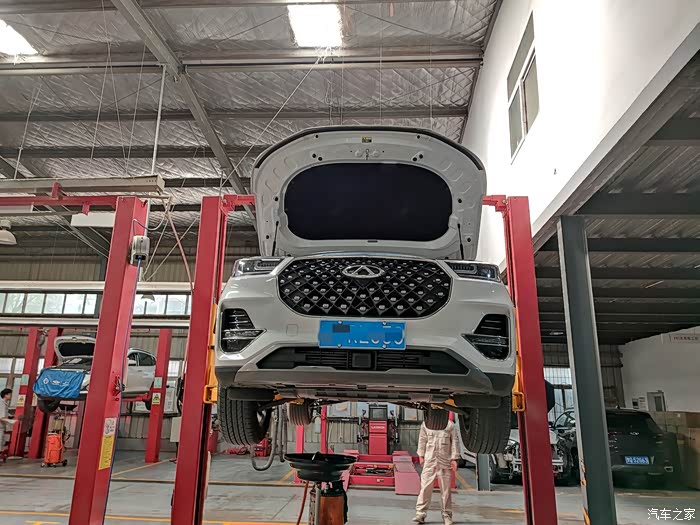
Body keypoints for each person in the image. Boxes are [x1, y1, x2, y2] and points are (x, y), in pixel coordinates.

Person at [414, 418, 460, 525]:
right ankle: (420, 514)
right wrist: (421, 455)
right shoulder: (426, 424)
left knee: (446, 491)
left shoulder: (450, 425)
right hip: (429, 462)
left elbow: (455, 442)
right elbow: (422, 440)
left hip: (444, 462)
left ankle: (447, 515)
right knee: (425, 488)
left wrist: (454, 459)